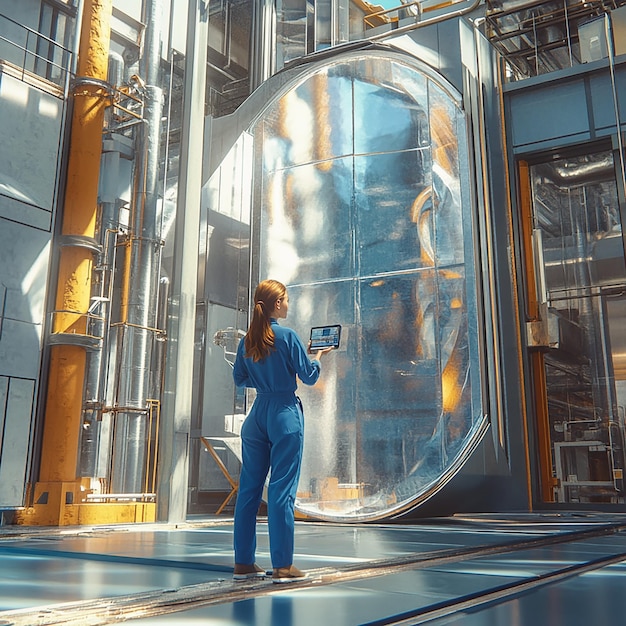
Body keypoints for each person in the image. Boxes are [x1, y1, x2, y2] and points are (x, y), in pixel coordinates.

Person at [232, 279, 332, 583]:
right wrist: (316, 357)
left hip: (257, 416)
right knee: (281, 491)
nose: (288, 304)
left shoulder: (247, 340)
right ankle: (283, 567)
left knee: (248, 492)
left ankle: (243, 564)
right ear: (277, 304)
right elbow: (309, 377)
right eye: (286, 299)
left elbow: (239, 379)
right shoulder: (288, 337)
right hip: (284, 415)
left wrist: (265, 382)